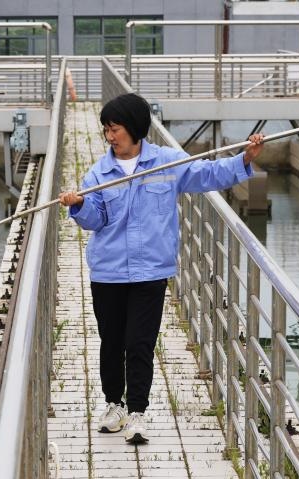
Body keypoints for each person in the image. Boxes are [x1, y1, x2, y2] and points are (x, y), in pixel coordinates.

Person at [59, 93, 263, 445]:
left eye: (115, 129)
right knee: (111, 342)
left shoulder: (166, 163)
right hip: (108, 271)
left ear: (135, 128)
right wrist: (79, 206)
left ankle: (137, 412)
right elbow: (96, 219)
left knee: (140, 342)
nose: (110, 137)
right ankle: (114, 405)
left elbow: (207, 174)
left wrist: (243, 159)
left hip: (150, 271)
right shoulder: (99, 172)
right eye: (107, 130)